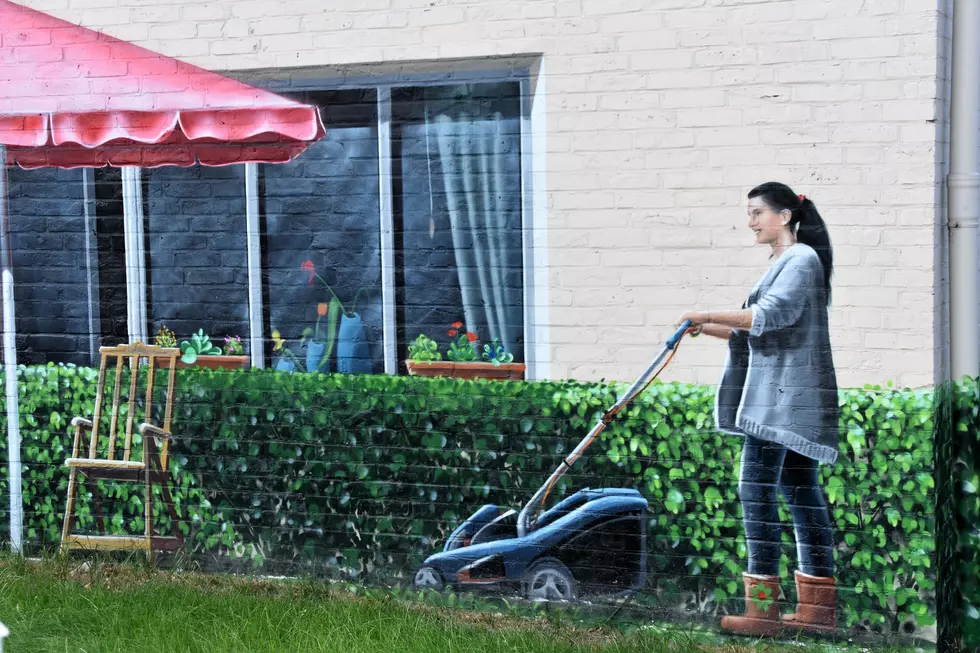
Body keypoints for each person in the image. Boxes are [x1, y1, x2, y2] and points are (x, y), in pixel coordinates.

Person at [676, 182, 839, 637]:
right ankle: (818, 612)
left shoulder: (799, 260)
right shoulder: (788, 262)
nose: (750, 222)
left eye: (757, 213)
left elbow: (771, 315)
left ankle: (763, 611)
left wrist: (703, 311)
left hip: (779, 402)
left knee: (756, 494)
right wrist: (705, 327)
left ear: (785, 216)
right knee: (803, 495)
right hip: (791, 398)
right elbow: (758, 334)